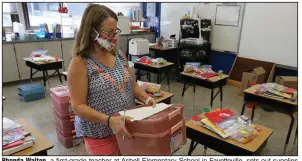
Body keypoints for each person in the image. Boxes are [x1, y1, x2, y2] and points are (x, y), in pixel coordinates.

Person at [67, 4, 155, 156]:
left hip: (126, 127)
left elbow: (132, 85)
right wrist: (109, 121)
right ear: (91, 31)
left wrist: (147, 99)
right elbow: (78, 106)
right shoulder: (80, 63)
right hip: (100, 134)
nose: (114, 37)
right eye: (109, 32)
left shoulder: (118, 55)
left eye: (116, 32)